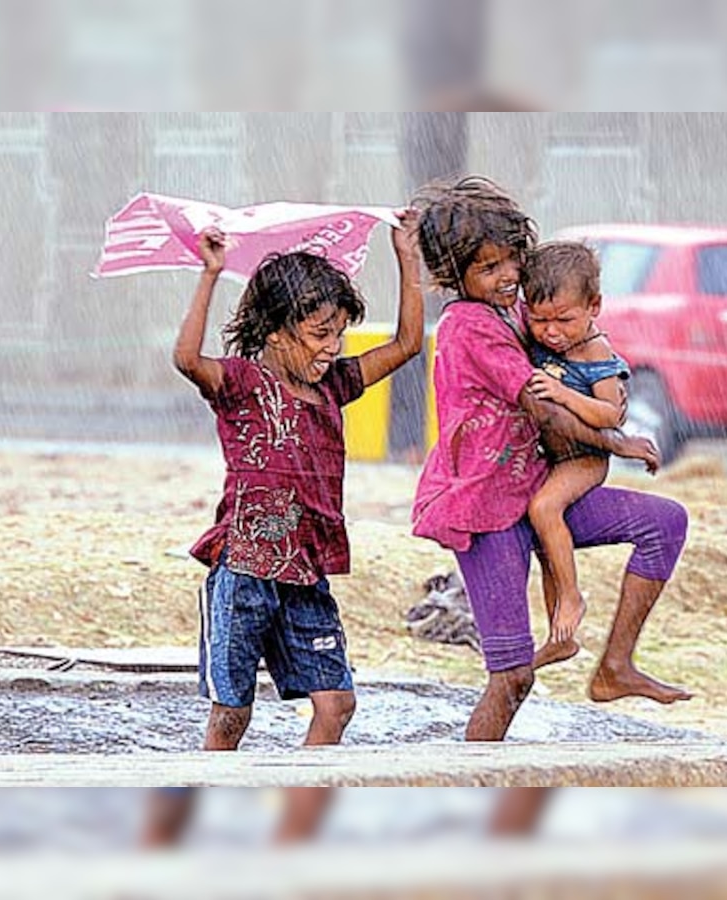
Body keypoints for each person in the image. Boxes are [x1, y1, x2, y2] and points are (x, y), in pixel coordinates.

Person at [143, 209, 424, 846]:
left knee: (336, 704)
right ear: (275, 330)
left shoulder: (335, 388)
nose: (333, 348)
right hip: (243, 571)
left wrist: (405, 255)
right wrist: (210, 273)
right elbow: (187, 357)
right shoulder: (242, 384)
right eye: (320, 333)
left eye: (339, 335)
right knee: (231, 714)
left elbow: (407, 345)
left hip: (306, 573)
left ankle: (295, 834)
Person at [410, 176, 691, 743]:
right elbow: (545, 410)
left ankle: (615, 667)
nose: (506, 274)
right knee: (512, 676)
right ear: (455, 276)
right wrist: (619, 442)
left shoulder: (517, 313)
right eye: (486, 268)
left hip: (535, 490)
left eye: (510, 259)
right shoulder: (470, 326)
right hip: (486, 509)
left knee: (666, 523)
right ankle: (470, 787)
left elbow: (578, 350)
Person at [521, 242, 659, 670]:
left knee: (543, 508)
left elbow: (610, 414)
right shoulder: (542, 338)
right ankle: (559, 637)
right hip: (552, 454)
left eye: (564, 319)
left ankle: (572, 596)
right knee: (546, 544)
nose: (551, 332)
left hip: (585, 457)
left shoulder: (595, 352)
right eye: (540, 320)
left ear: (593, 306)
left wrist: (562, 394)